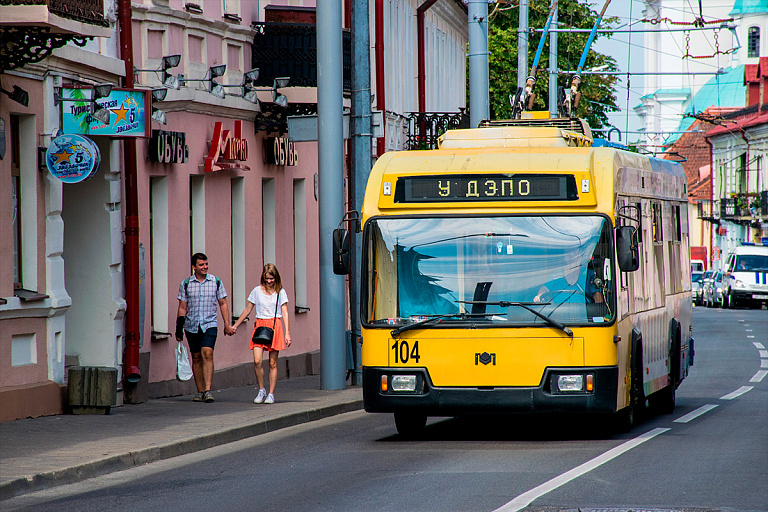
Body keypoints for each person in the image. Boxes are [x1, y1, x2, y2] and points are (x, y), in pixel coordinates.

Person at [175, 253, 232, 403]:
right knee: (196, 357)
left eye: (206, 264)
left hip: (209, 324)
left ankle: (207, 390)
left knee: (207, 352)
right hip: (191, 325)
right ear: (194, 267)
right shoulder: (186, 284)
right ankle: (199, 391)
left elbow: (223, 303)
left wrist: (227, 324)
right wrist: (179, 328)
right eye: (201, 265)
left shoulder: (215, 281)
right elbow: (182, 307)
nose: (205, 267)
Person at [232, 263, 292, 404]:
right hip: (260, 326)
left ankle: (271, 393)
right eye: (267, 278)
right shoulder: (257, 291)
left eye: (271, 278)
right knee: (257, 361)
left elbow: (285, 312)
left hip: (275, 326)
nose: (269, 281)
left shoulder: (280, 292)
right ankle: (261, 389)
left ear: (276, 277)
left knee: (272, 363)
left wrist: (287, 333)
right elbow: (248, 309)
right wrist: (235, 325)